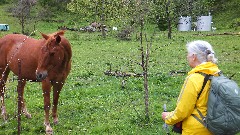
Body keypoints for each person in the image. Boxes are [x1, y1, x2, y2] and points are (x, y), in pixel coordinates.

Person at [161, 40, 221, 135]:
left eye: (188, 54)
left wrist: (168, 117)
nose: (187, 56)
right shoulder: (217, 74)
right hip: (217, 127)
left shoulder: (194, 79)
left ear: (194, 57)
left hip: (197, 129)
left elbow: (183, 111)